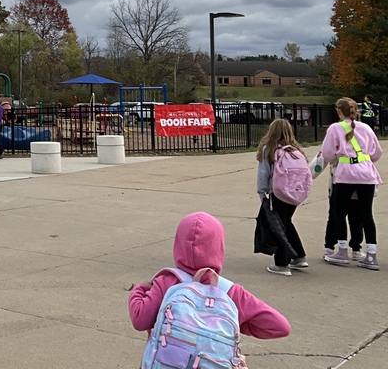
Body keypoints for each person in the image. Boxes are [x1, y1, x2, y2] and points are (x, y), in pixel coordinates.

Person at [129, 212, 291, 360]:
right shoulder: (230, 292)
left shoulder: (166, 282)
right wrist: (236, 323)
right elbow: (280, 327)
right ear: (218, 247)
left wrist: (140, 289)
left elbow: (140, 320)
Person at [320, 97, 382, 269]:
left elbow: (327, 154)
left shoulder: (335, 128)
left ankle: (341, 250)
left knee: (339, 212)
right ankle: (371, 254)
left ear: (339, 111)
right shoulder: (367, 128)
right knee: (366, 214)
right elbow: (377, 153)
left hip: (346, 174)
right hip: (367, 174)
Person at [255, 118, 307, 275]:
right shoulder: (295, 150)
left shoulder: (269, 149)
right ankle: (299, 256)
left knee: (278, 228)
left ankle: (282, 264)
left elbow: (263, 173)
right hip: (293, 194)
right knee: (287, 223)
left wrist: (261, 192)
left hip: (276, 194)